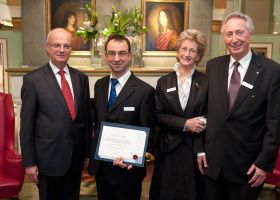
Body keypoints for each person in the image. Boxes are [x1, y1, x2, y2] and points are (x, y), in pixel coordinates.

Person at [198, 12, 280, 200]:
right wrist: (201, 150)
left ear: (250, 35)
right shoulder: (213, 66)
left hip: (248, 168)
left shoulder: (272, 71)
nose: (234, 39)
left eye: (240, 33)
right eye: (229, 34)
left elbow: (274, 123)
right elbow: (203, 112)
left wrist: (263, 164)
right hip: (213, 165)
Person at [20, 28, 91, 200]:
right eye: (57, 45)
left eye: (66, 46)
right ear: (47, 47)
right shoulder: (33, 80)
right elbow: (27, 126)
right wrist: (29, 162)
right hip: (47, 160)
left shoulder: (81, 78)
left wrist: (87, 153)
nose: (61, 50)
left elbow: (85, 120)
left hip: (75, 158)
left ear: (71, 49)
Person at [88, 34, 155, 200]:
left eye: (122, 53)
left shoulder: (144, 91)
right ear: (105, 56)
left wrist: (133, 156)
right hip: (102, 167)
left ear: (130, 56)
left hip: (127, 170)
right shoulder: (100, 85)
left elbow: (150, 132)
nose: (117, 58)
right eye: (112, 53)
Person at [149, 29, 208, 200]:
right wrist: (184, 124)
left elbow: (212, 114)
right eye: (184, 49)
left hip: (194, 150)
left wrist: (201, 123)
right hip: (169, 149)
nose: (187, 54)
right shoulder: (163, 82)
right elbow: (157, 115)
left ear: (198, 56)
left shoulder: (206, 82)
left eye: (192, 50)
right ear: (177, 51)